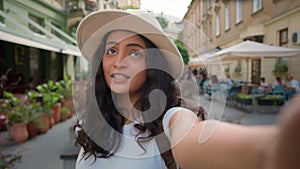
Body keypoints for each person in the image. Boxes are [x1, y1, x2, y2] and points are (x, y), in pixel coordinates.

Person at [74, 9, 300, 169]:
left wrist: (274, 147)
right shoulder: (91, 123)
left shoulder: (170, 118)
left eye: (135, 53)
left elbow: (193, 138)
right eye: (111, 51)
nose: (118, 61)